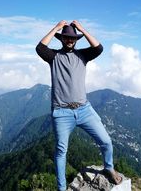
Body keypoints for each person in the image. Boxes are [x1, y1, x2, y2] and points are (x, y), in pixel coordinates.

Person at [36, 20, 122, 191]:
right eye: (67, 37)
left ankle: (109, 168)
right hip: (62, 112)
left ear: (76, 40)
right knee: (61, 151)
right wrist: (56, 28)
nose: (70, 40)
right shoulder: (54, 57)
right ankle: (61, 188)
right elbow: (40, 48)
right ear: (61, 39)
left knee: (106, 141)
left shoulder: (83, 55)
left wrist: (82, 29)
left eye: (73, 38)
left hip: (85, 110)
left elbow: (99, 48)